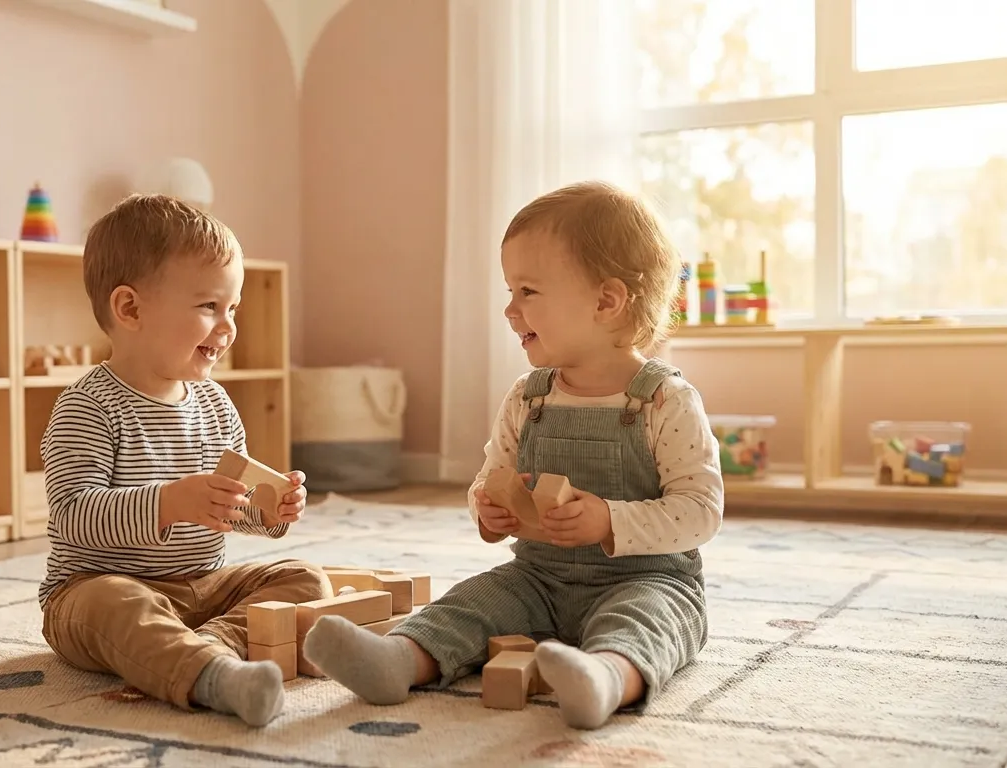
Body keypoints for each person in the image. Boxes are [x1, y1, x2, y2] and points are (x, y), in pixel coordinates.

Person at [302, 180, 724, 730]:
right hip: (539, 577)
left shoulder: (665, 399)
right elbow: (489, 479)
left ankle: (604, 678)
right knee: (472, 600)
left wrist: (608, 519)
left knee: (645, 622)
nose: (509, 309)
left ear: (606, 300)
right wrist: (488, 511)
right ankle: (398, 659)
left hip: (647, 578)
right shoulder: (529, 396)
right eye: (509, 290)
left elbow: (700, 511)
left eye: (527, 291)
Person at [37, 194, 331, 727]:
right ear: (130, 309)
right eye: (208, 307)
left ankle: (207, 648)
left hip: (201, 588)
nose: (229, 326)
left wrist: (269, 511)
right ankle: (211, 676)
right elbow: (73, 515)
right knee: (115, 604)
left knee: (307, 578)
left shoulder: (215, 403)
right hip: (92, 590)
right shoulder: (87, 405)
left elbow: (226, 510)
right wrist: (169, 503)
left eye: (232, 308)